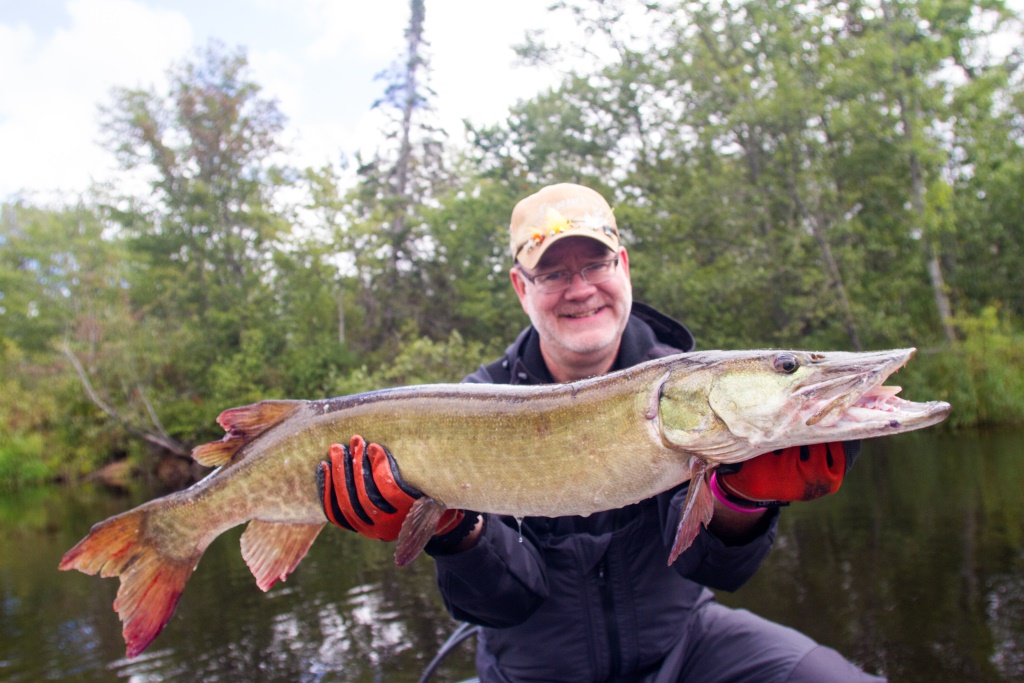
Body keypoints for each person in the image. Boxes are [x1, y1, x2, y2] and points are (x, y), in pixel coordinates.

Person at [317, 183, 885, 682]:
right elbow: (504, 602)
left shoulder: (684, 383)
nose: (580, 287)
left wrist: (739, 498)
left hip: (684, 648)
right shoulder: (475, 403)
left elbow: (712, 569)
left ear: (624, 268)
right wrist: (452, 532)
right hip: (534, 670)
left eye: (595, 264)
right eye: (554, 272)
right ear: (522, 288)